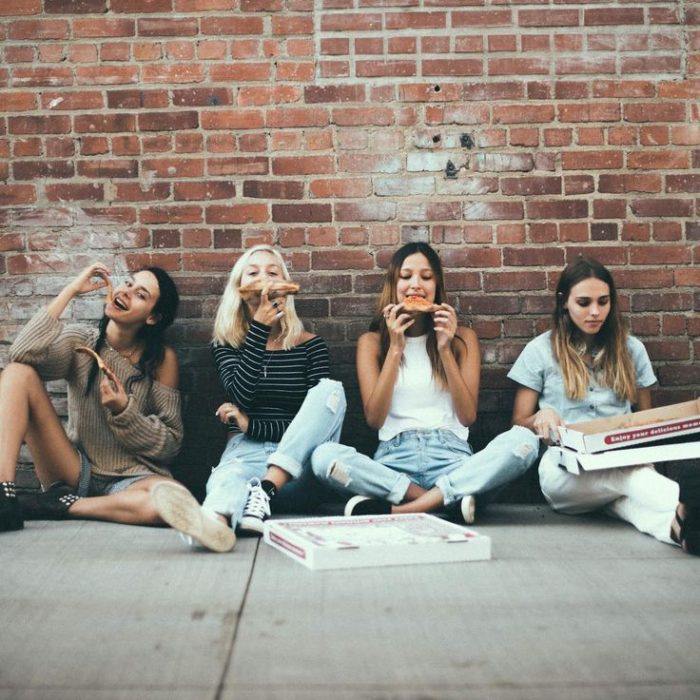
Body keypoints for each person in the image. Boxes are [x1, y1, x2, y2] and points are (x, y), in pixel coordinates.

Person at [310, 242, 539, 520]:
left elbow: (467, 416)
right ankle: (446, 502)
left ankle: (399, 510)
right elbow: (375, 419)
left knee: (525, 442)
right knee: (323, 457)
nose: (415, 285)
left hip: (453, 458)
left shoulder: (462, 338)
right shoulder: (372, 343)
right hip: (394, 465)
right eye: (405, 276)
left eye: (426, 277)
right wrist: (395, 349)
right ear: (393, 285)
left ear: (437, 286)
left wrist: (444, 349)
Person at [152, 245, 346, 552]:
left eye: (273, 272)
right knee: (229, 478)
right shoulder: (226, 345)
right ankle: (213, 524)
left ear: (286, 286)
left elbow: (313, 425)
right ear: (240, 289)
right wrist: (259, 328)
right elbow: (240, 393)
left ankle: (262, 492)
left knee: (330, 391)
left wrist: (251, 424)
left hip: (299, 467)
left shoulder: (311, 346)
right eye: (253, 273)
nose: (265, 280)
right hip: (247, 456)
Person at [509, 255, 700, 554]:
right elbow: (518, 422)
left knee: (631, 505)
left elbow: (646, 421)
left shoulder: (632, 349)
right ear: (564, 303)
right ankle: (686, 504)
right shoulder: (540, 351)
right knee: (628, 476)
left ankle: (681, 531)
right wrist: (541, 417)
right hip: (565, 474)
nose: (595, 311)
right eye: (584, 303)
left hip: (626, 460)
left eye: (603, 301)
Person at [0, 262, 183, 533]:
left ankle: (61, 506)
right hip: (76, 470)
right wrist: (72, 290)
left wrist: (124, 411)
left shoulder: (161, 360)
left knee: (174, 500)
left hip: (132, 479)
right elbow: (21, 354)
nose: (127, 291)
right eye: (129, 283)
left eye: (141, 294)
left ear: (152, 317)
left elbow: (171, 444)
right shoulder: (81, 342)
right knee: (17, 373)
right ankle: (4, 493)